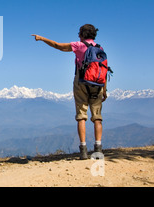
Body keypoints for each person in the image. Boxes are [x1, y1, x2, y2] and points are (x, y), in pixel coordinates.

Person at [31, 24, 107, 160]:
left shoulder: (78, 45)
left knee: (81, 115)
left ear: (82, 34)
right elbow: (104, 70)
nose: (78, 35)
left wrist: (42, 38)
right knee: (97, 117)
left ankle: (83, 150)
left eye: (79, 33)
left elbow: (58, 45)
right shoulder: (100, 48)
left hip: (81, 82)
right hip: (98, 84)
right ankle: (98, 150)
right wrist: (104, 90)